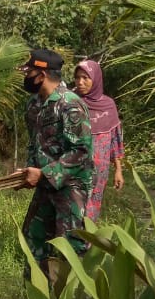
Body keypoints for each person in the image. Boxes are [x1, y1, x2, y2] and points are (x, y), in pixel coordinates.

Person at [12, 48, 94, 273]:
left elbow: (81, 151)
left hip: (71, 185)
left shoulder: (70, 104)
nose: (25, 77)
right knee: (34, 238)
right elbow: (35, 142)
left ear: (42, 74)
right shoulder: (33, 105)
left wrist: (45, 173)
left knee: (71, 245)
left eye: (29, 72)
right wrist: (29, 171)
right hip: (45, 183)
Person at [73, 59, 125, 223]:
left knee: (92, 206)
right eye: (77, 77)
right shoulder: (70, 101)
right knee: (72, 206)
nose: (80, 82)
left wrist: (118, 169)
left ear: (95, 79)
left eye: (85, 78)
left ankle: (86, 244)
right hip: (73, 166)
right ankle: (67, 244)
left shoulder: (108, 105)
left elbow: (114, 140)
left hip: (99, 170)